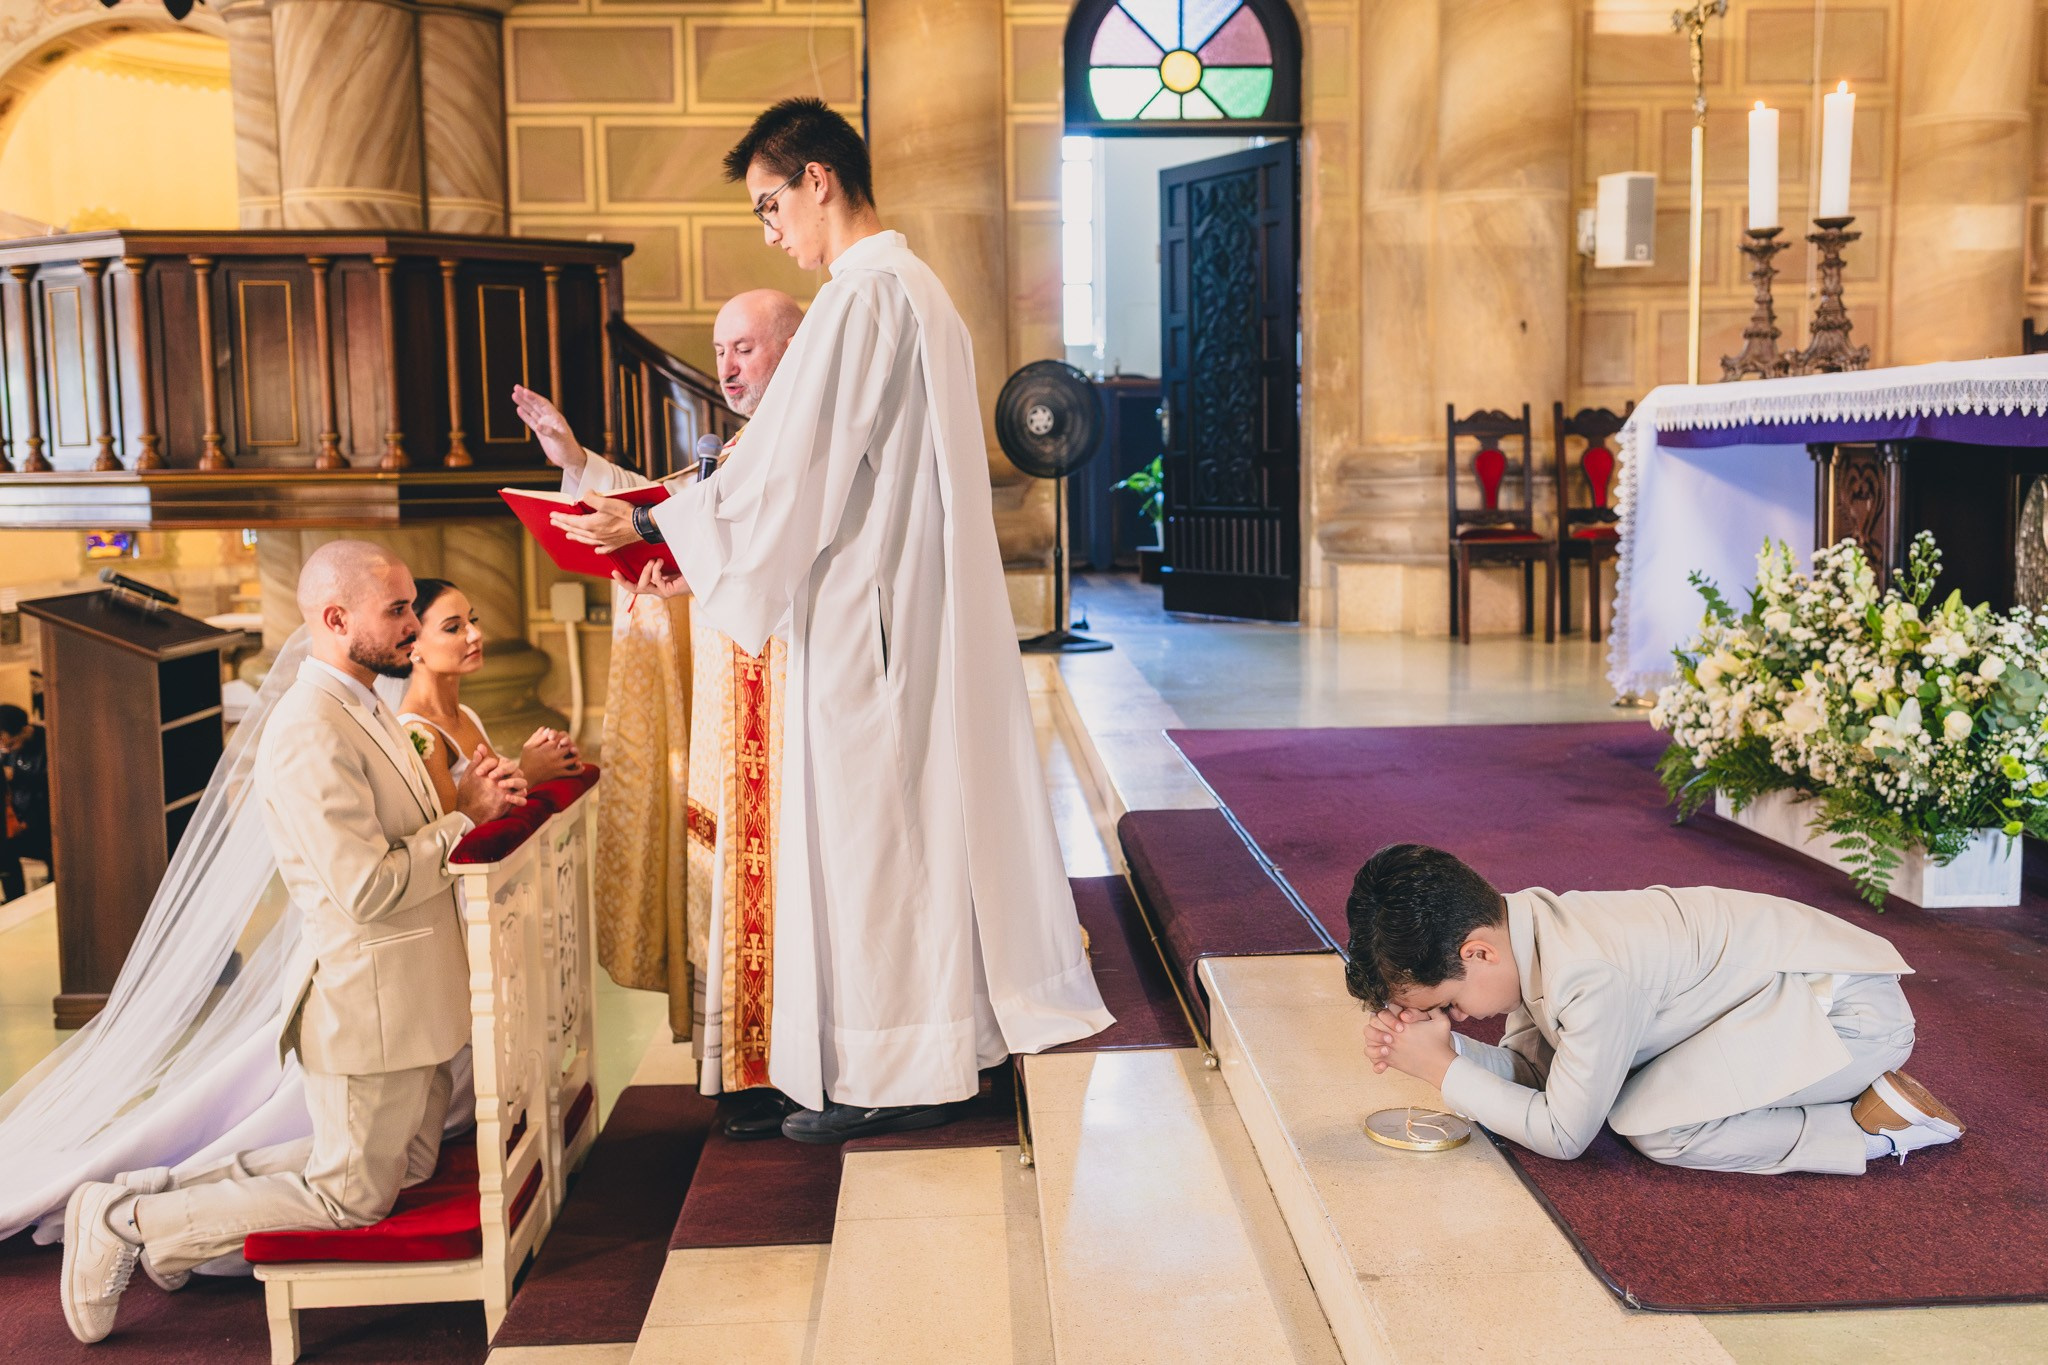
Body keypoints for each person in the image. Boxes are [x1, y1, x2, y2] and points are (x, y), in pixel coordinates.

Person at [551, 97, 1112, 1143]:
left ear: (818, 179)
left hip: (867, 623)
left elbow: (788, 469)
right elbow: (794, 463)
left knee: (877, 842)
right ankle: (942, 1043)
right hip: (895, 606)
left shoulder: (860, 298)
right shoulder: (916, 289)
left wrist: (653, 518)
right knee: (908, 834)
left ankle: (907, 1071)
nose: (771, 231)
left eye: (770, 204)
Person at [56, 540, 526, 1344]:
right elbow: (364, 885)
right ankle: (126, 1221)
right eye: (398, 610)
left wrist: (461, 807)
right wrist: (464, 820)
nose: (412, 624)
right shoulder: (309, 729)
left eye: (412, 607)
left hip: (415, 995)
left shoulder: (366, 704)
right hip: (367, 1003)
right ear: (335, 619)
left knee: (402, 1167)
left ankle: (161, 1196)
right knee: (349, 1197)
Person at [511, 286, 807, 1141]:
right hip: (730, 707)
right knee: (726, 872)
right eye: (720, 352)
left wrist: (661, 535)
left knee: (777, 879)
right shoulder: (744, 445)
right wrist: (576, 464)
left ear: (793, 347)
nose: (727, 368)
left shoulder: (801, 434)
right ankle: (745, 1065)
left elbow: (755, 537)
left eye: (744, 347)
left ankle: (783, 1065)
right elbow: (680, 502)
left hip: (784, 705)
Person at [1347, 843, 1966, 1176]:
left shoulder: (1587, 973)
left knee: (1658, 1127)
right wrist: (1445, 1050)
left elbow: (1564, 1134)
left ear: (1477, 951)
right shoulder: (1523, 926)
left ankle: (1874, 1132)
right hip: (1770, 998)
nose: (1457, 1016)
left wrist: (1440, 1070)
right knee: (1636, 1098)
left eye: (1450, 1005)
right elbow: (1538, 1075)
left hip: (1845, 1018)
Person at [395, 576, 583, 814]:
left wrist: (549, 757)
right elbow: (456, 828)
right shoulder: (418, 733)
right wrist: (529, 772)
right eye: (453, 628)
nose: (475, 634)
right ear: (412, 646)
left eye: (472, 620)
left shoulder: (466, 714)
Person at [0, 702, 51, 901]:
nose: (8, 750)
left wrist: (17, 776)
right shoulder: (7, 752)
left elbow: (53, 782)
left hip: (45, 822)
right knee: (4, 849)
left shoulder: (48, 741)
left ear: (25, 729)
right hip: (20, 819)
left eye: (11, 744)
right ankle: (15, 901)